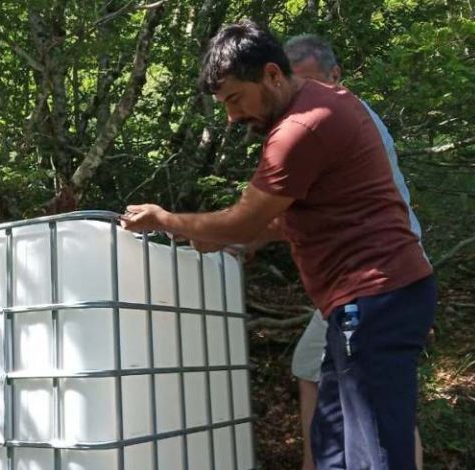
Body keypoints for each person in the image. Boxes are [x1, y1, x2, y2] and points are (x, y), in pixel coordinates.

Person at [120, 20, 436, 470]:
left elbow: (246, 219)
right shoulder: (323, 105)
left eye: (234, 99)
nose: (231, 116)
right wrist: (232, 237)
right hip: (366, 299)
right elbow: (307, 215)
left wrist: (164, 219)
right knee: (331, 446)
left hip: (374, 296)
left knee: (376, 451)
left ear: (271, 74)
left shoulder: (301, 127)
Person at [283, 34, 426, 470]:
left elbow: (293, 205)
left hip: (379, 271)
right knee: (341, 378)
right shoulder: (326, 119)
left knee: (369, 391)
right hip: (374, 269)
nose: (305, 96)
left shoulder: (342, 118)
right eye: (297, 87)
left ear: (336, 76)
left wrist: (238, 232)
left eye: (312, 83)